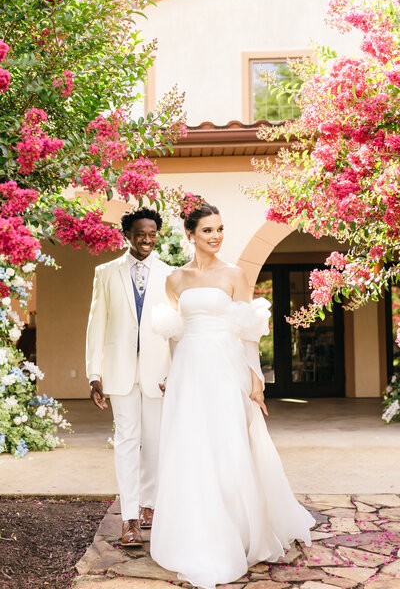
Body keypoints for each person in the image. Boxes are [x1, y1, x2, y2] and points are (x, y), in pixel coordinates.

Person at [150, 200, 315, 589]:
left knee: (228, 444)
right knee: (191, 447)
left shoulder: (236, 275)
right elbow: (174, 336)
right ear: (190, 234)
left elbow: (247, 334)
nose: (217, 236)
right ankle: (196, 531)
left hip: (225, 368)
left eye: (220, 228)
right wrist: (170, 375)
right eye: (208, 230)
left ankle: (239, 531)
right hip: (189, 370)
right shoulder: (175, 280)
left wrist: (255, 378)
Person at [86, 207, 172, 547]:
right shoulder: (106, 273)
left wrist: (174, 370)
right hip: (119, 372)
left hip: (158, 373)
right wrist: (95, 373)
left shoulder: (170, 274)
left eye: (152, 234)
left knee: (154, 443)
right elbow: (96, 325)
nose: (147, 240)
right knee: (126, 442)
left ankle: (149, 505)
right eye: (141, 234)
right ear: (128, 234)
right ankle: (130, 518)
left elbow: (175, 327)